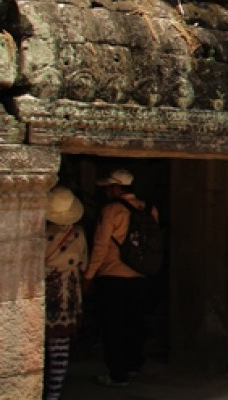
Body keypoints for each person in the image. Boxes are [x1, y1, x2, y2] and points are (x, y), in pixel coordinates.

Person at [83, 169, 157, 388]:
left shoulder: (111, 210)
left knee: (113, 325)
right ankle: (134, 365)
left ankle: (118, 373)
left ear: (116, 188)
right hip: (140, 275)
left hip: (113, 275)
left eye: (108, 187)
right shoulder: (150, 209)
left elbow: (100, 246)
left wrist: (89, 275)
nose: (106, 191)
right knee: (135, 322)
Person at [44, 186, 89, 400]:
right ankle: (54, 394)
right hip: (68, 294)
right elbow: (83, 263)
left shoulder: (42, 235)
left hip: (44, 294)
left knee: (37, 346)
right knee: (60, 348)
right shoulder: (78, 233)